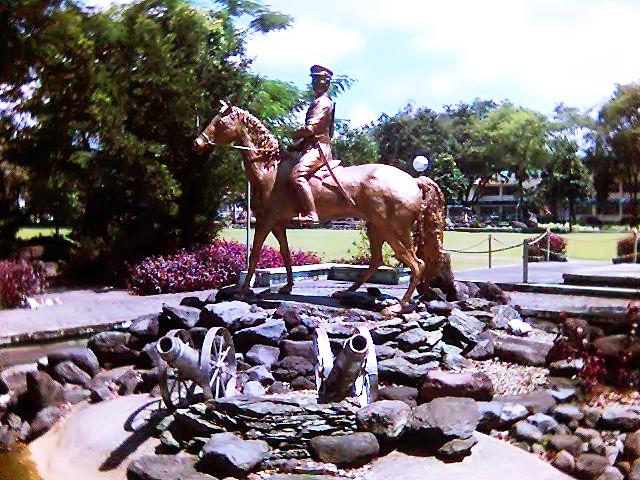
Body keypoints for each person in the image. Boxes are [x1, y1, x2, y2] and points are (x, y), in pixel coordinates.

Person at [289, 65, 335, 223]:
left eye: (318, 79)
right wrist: (297, 146)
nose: (315, 82)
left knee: (297, 175)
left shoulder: (322, 102)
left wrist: (293, 134)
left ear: (326, 82)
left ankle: (311, 213)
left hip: (319, 149)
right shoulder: (318, 101)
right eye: (314, 79)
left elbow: (311, 129)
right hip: (313, 146)